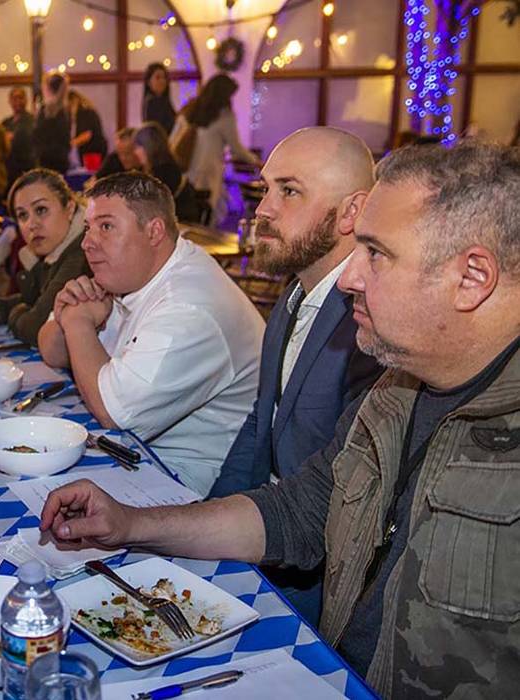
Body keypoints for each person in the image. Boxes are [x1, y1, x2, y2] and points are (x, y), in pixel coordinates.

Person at [39, 139, 520, 698]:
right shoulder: (397, 390)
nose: (348, 277)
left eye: (375, 254)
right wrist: (130, 523)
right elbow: (299, 509)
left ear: (472, 277)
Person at [208, 127, 384, 624]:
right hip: (263, 536)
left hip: (313, 578)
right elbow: (259, 425)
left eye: (289, 191)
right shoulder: (292, 298)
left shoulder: (371, 323)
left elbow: (339, 503)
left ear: (352, 212)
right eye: (266, 188)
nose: (263, 209)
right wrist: (207, 521)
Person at [37, 173, 264, 495]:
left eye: (106, 226)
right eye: (88, 227)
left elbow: (114, 413)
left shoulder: (189, 306)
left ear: (154, 231)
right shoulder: (127, 270)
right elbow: (51, 352)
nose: (87, 242)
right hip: (133, 452)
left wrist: (77, 324)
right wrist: (68, 317)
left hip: (191, 484)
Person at [0, 168, 90, 347]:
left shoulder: (84, 252)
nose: (31, 224)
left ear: (70, 209)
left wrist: (17, 313)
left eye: (41, 210)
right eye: (22, 215)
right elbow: (39, 299)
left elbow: (37, 327)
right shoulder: (55, 249)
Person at [171, 74, 261, 221]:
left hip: (187, 172)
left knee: (190, 216)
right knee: (209, 216)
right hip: (209, 174)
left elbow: (173, 138)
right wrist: (256, 161)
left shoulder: (192, 108)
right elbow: (236, 148)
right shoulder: (225, 116)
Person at [132, 121, 200, 223]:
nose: (135, 152)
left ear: (149, 147)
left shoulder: (166, 171)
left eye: (138, 147)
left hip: (179, 221)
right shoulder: (156, 168)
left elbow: (153, 205)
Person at [32, 73, 71, 174]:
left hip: (46, 160)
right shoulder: (65, 111)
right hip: (59, 160)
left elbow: (37, 136)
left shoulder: (45, 110)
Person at [1, 86, 37, 195]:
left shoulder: (32, 120)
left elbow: (21, 140)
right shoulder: (6, 122)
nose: (17, 101)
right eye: (14, 98)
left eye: (20, 98)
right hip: (8, 172)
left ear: (26, 100)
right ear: (9, 101)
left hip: (26, 171)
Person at [68, 89, 107, 170]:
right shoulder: (85, 112)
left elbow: (86, 135)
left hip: (92, 152)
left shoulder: (84, 112)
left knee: (90, 174)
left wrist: (69, 145)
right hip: (91, 152)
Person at [142, 62, 176, 135]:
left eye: (164, 78)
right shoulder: (153, 102)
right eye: (158, 78)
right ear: (148, 82)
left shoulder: (164, 101)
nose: (162, 81)